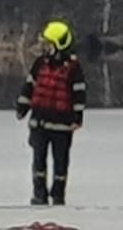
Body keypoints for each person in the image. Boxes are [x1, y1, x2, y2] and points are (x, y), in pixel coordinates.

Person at [15, 20, 87, 206]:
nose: (44, 47)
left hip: (62, 125)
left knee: (60, 163)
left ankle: (58, 195)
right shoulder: (40, 64)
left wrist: (77, 117)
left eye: (48, 43)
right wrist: (22, 107)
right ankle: (39, 194)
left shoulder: (72, 67)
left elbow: (79, 93)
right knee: (38, 161)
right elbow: (29, 87)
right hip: (39, 123)